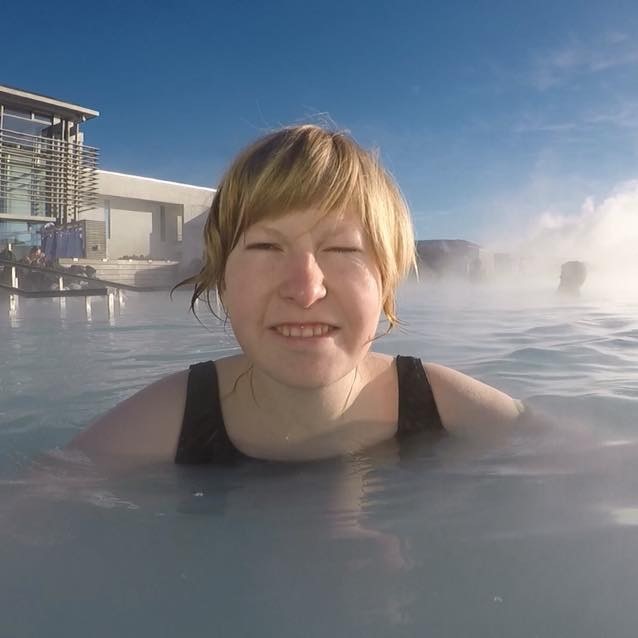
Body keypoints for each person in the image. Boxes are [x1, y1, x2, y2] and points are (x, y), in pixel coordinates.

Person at [70, 125, 524, 466]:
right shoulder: (162, 423)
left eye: (342, 249)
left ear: (386, 280)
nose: (306, 289)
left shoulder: (442, 405)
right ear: (221, 277)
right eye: (267, 246)